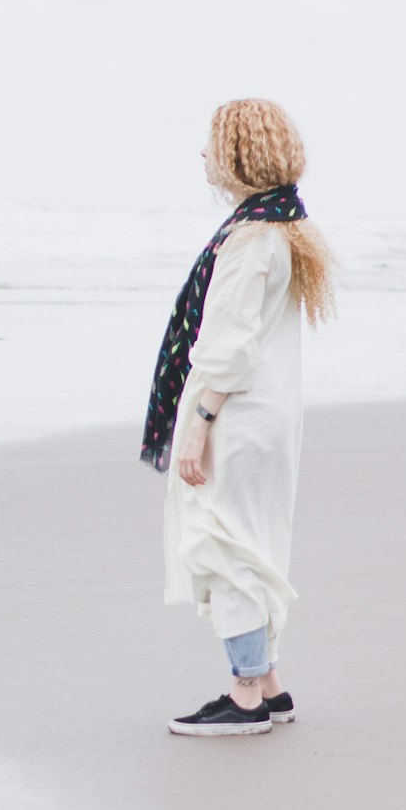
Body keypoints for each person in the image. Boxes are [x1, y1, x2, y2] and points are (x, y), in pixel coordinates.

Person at [140, 98, 335, 737]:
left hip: (240, 415)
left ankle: (244, 695)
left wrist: (197, 422)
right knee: (249, 541)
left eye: (212, 144)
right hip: (267, 414)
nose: (201, 154)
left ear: (239, 156)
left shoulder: (252, 238)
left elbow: (227, 342)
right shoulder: (282, 227)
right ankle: (271, 686)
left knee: (225, 546)